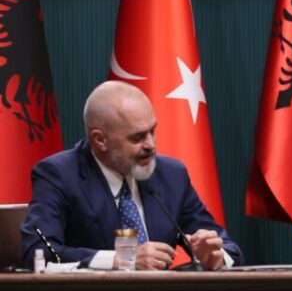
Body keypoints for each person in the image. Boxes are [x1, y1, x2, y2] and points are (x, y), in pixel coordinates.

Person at [20, 81, 243, 270]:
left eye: (152, 131)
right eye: (137, 138)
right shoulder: (59, 175)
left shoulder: (171, 175)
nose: (151, 145)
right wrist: (120, 260)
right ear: (100, 139)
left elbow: (228, 249)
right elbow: (37, 252)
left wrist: (215, 256)